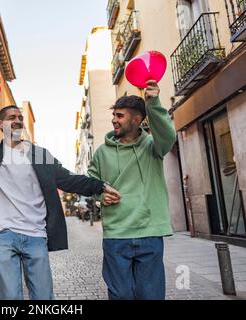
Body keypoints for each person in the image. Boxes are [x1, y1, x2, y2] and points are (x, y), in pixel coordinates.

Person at [0, 80, 118, 300]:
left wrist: (99, 186)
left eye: (20, 118)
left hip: (36, 235)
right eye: (11, 118)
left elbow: (69, 180)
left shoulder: (40, 155)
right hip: (4, 235)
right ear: (0, 124)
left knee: (44, 296)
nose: (17, 121)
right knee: (9, 297)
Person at [88, 80, 176, 300]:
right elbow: (91, 181)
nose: (114, 120)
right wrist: (100, 193)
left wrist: (153, 102)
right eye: (114, 115)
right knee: (120, 295)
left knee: (151, 295)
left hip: (150, 233)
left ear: (137, 120)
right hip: (116, 234)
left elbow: (168, 135)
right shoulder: (101, 152)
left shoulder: (153, 147)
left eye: (120, 116)